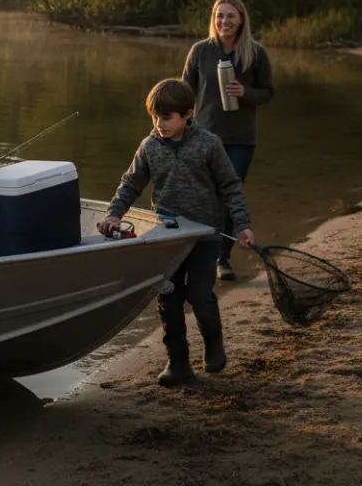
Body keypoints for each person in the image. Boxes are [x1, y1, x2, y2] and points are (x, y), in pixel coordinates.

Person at [99, 78, 255, 387]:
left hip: (204, 238)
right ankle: (178, 363)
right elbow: (131, 183)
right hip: (168, 238)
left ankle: (213, 342)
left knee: (199, 295)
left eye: (167, 117)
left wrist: (242, 224)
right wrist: (114, 213)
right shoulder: (149, 147)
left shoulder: (208, 144)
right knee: (168, 298)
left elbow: (230, 186)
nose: (159, 124)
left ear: (187, 114)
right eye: (155, 117)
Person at [182, 0, 274, 281]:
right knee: (203, 195)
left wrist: (245, 93)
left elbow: (268, 92)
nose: (225, 21)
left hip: (240, 139)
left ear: (241, 19)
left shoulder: (255, 53)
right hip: (203, 136)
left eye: (231, 15)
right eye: (220, 15)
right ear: (214, 19)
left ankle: (222, 259)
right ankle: (197, 254)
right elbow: (185, 92)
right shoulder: (200, 51)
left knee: (229, 195)